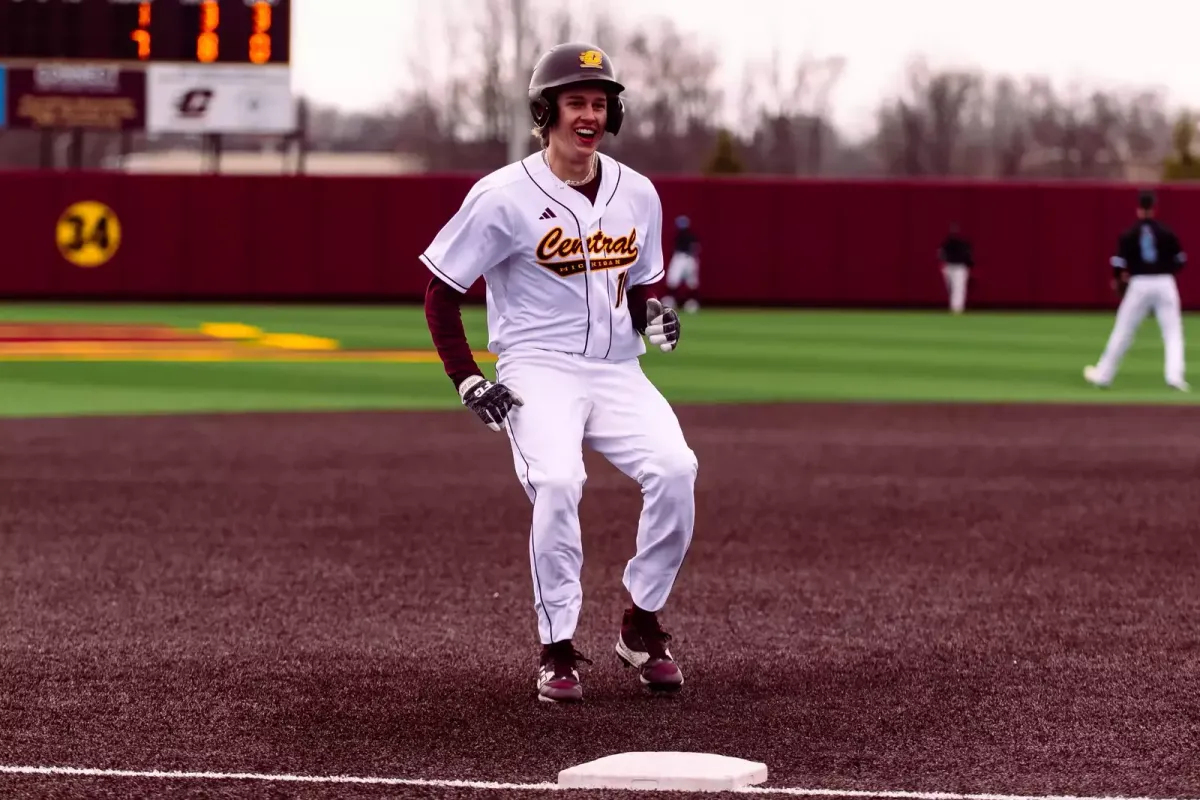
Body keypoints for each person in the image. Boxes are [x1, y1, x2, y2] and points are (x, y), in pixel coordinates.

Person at [419, 42, 699, 704]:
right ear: (546, 111)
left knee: (677, 470)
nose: (590, 115)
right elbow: (440, 290)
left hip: (618, 369)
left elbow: (638, 288)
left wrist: (654, 318)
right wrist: (466, 378)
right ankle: (556, 648)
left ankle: (642, 622)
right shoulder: (502, 196)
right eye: (576, 101)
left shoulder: (639, 193)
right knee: (557, 480)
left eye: (600, 103)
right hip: (536, 369)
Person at [1084, 189, 1189, 392]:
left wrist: (1118, 278)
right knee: (1173, 333)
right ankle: (1175, 377)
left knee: (1123, 330)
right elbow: (1181, 260)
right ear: (1154, 208)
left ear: (1139, 208)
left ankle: (1103, 376)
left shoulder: (1129, 233)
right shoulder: (1166, 232)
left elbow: (1118, 263)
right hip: (1164, 282)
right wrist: (1166, 273)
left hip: (1139, 283)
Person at [663, 215, 701, 313]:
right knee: (673, 280)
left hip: (689, 258)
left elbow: (696, 248)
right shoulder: (677, 235)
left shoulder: (691, 236)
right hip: (679, 257)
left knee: (691, 282)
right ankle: (670, 301)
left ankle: (691, 303)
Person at [937, 223, 974, 314]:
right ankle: (955, 308)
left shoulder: (961, 243)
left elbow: (968, 255)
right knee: (954, 288)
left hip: (958, 267)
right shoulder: (947, 243)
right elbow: (940, 254)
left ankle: (957, 309)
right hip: (951, 267)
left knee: (957, 288)